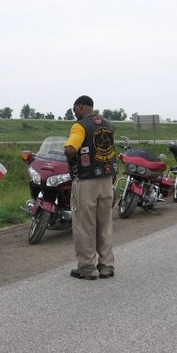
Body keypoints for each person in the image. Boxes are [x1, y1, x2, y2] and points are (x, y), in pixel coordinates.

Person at [64, 95, 118, 280]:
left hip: (86, 181)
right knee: (105, 224)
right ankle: (106, 266)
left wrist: (69, 157)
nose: (73, 113)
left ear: (80, 107)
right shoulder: (108, 124)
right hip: (106, 179)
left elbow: (71, 149)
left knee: (84, 225)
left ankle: (87, 268)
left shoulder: (80, 126)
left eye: (74, 109)